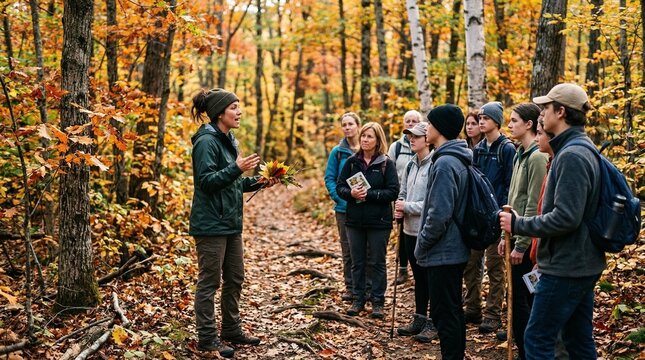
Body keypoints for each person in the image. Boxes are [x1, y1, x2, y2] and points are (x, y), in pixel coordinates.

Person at [499, 83, 604, 359]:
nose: (541, 115)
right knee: (577, 340)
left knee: (537, 340)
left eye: (546, 108)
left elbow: (566, 218)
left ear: (561, 112)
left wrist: (519, 225)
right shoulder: (577, 149)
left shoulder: (572, 155)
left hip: (566, 266)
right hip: (578, 263)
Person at [189, 88, 278, 357]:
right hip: (210, 224)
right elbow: (206, 182)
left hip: (230, 223)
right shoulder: (206, 142)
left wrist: (259, 181)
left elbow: (233, 184)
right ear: (219, 113)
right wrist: (236, 168)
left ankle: (230, 329)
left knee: (235, 277)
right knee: (209, 282)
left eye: (239, 107)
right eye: (234, 107)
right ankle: (206, 338)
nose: (239, 112)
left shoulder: (230, 140)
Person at [416, 104, 470, 360]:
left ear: (441, 128)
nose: (426, 127)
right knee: (451, 310)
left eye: (429, 123)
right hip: (451, 250)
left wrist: (422, 243)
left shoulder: (446, 163)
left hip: (444, 251)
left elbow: (439, 214)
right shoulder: (450, 158)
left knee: (444, 313)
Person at [496, 103, 548, 359]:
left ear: (529, 124)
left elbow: (533, 204)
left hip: (529, 243)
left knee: (524, 300)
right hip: (514, 234)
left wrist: (522, 243)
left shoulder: (537, 156)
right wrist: (506, 236)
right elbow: (513, 198)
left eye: (514, 120)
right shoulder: (520, 154)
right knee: (516, 299)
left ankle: (530, 353)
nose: (510, 124)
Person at [337, 122, 399, 319]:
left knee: (377, 261)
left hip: (379, 221)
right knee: (357, 261)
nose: (364, 139)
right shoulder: (352, 162)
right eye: (363, 136)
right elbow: (340, 187)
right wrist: (351, 193)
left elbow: (393, 191)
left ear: (378, 140)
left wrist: (370, 194)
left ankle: (378, 301)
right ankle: (358, 299)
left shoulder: (386, 164)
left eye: (369, 136)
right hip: (354, 220)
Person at [464, 101, 516, 333]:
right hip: (477, 217)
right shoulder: (479, 148)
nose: (481, 121)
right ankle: (472, 307)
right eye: (480, 118)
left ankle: (493, 314)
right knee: (471, 264)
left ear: (497, 121)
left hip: (498, 216)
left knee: (496, 266)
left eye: (486, 118)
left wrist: (501, 210)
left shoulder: (506, 149)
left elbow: (510, 184)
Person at [393, 122, 437, 343]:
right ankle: (419, 318)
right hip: (409, 230)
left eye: (416, 136)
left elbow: (431, 204)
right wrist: (399, 206)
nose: (411, 140)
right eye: (409, 136)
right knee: (418, 278)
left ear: (427, 139)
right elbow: (403, 192)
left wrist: (407, 206)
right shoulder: (411, 164)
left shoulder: (434, 165)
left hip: (426, 231)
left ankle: (433, 322)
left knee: (430, 278)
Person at [324, 112, 362, 302]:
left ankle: (367, 288)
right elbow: (329, 178)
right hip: (344, 208)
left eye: (350, 124)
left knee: (366, 250)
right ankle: (351, 287)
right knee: (348, 250)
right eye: (344, 124)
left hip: (365, 207)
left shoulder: (367, 148)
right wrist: (339, 197)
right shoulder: (337, 152)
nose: (347, 127)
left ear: (358, 125)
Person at [388, 110, 423, 284]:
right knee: (402, 233)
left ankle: (419, 270)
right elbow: (388, 169)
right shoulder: (397, 147)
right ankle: (403, 269)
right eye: (407, 121)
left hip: (418, 197)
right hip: (399, 196)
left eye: (414, 121)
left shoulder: (425, 146)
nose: (410, 123)